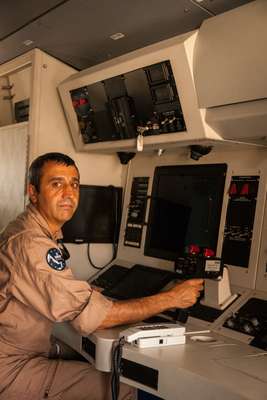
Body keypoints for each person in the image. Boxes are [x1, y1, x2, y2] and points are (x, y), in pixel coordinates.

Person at [0, 152, 203, 400]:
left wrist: (81, 293)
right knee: (122, 385)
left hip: (18, 351)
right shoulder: (32, 244)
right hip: (11, 370)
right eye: (56, 184)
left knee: (85, 356)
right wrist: (171, 298)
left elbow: (43, 285)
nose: (69, 193)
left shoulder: (27, 229)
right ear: (33, 192)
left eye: (74, 184)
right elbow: (91, 321)